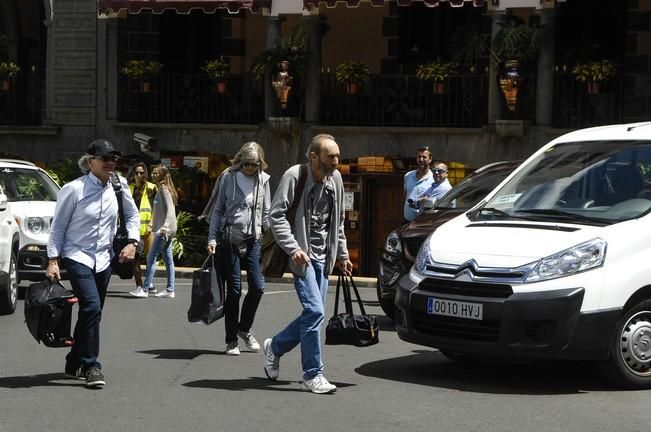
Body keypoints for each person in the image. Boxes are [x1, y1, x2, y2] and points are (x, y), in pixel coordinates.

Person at [263, 133, 352, 395]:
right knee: (315, 312)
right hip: (303, 257)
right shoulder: (295, 175)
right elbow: (276, 215)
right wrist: (293, 248)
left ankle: (275, 347)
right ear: (314, 156)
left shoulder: (335, 179)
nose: (336, 161)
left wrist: (343, 255)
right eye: (330, 156)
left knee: (314, 315)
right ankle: (313, 374)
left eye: (338, 155)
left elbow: (339, 222)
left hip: (325, 257)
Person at [46, 139, 140, 388]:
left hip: (104, 258)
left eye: (114, 159)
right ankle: (91, 365)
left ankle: (73, 360)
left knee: (92, 313)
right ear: (90, 162)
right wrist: (53, 259)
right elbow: (58, 227)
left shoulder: (119, 186)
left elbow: (132, 215)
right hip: (77, 256)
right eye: (105, 159)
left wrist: (132, 242)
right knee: (91, 306)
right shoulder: (73, 189)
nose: (111, 163)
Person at [207, 142, 271, 356]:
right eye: (246, 164)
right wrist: (212, 238)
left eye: (254, 165)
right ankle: (231, 340)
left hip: (253, 238)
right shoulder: (228, 178)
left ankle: (245, 329)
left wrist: (266, 227)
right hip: (230, 237)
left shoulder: (263, 180)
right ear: (239, 162)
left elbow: (268, 210)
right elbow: (218, 210)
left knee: (258, 286)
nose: (250, 169)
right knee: (234, 290)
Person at [142, 164, 178, 298]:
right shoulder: (161, 188)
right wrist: (152, 223)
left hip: (164, 230)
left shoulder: (164, 188)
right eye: (153, 173)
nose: (153, 175)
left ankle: (145, 289)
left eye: (156, 173)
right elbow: (158, 211)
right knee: (168, 259)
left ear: (163, 175)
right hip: (165, 229)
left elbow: (170, 209)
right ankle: (170, 289)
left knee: (151, 257)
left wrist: (165, 226)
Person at [128, 162, 158, 298]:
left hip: (149, 229)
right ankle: (140, 286)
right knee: (136, 259)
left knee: (151, 258)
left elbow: (157, 208)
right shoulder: (129, 188)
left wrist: (152, 223)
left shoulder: (152, 188)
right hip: (135, 229)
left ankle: (149, 284)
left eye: (141, 172)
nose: (139, 175)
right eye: (136, 172)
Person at [403, 146, 434, 222]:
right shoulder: (408, 176)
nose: (421, 159)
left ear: (430, 159)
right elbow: (406, 193)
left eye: (424, 157)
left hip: (424, 223)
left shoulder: (434, 179)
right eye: (419, 157)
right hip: (407, 221)